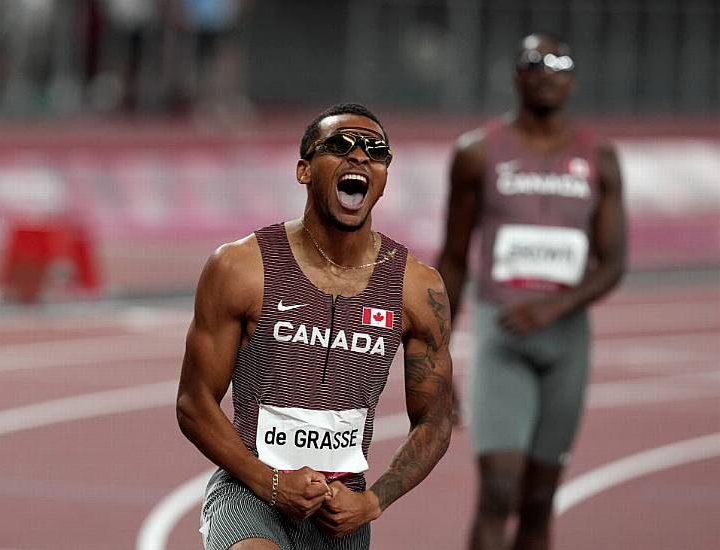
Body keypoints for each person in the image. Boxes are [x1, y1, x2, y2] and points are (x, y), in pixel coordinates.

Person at [177, 102, 453, 549]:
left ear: (383, 178)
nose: (359, 156)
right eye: (340, 145)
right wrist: (270, 483)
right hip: (249, 490)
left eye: (375, 150)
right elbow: (194, 403)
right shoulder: (242, 267)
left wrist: (375, 501)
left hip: (341, 509)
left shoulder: (416, 288)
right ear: (304, 170)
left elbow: (435, 421)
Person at [436, 34, 626, 549]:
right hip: (502, 339)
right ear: (516, 76)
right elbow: (452, 259)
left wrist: (556, 305)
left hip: (566, 342)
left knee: (541, 500)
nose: (549, 73)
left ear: (574, 81)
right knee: (498, 492)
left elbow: (613, 263)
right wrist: (438, 355)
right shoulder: (477, 154)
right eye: (536, 64)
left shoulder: (601, 158)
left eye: (562, 65)